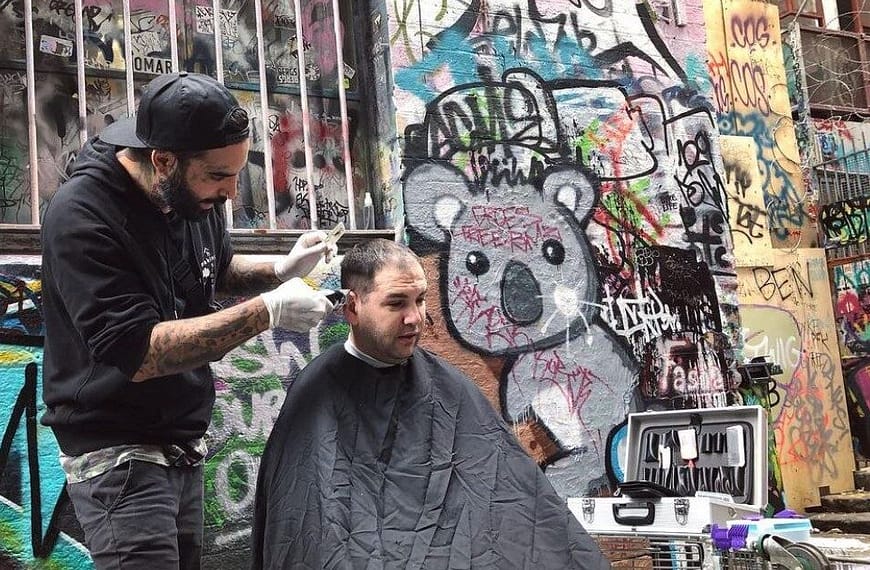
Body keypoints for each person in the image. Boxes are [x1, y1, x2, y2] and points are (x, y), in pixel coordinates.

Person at [40, 71, 335, 569]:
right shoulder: (83, 217)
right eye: (219, 176)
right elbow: (142, 352)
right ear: (164, 160)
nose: (230, 193)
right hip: (118, 457)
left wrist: (279, 269)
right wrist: (270, 311)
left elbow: (212, 271)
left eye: (236, 175)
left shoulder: (188, 195)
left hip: (181, 445)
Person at [251, 239, 609, 569]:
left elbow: (512, 505)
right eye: (396, 303)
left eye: (420, 300)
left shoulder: (449, 387)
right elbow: (306, 530)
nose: (415, 318)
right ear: (352, 307)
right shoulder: (316, 391)